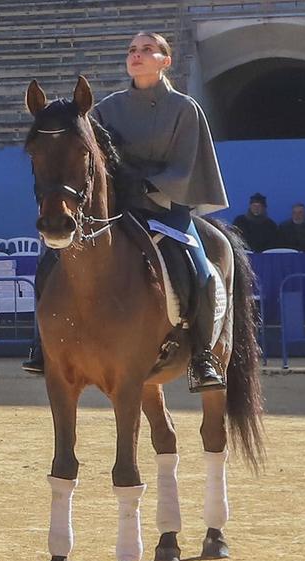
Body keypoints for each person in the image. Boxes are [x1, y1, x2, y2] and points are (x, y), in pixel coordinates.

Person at [25, 32, 230, 391]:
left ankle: (202, 357)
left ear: (165, 61)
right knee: (51, 262)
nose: (137, 55)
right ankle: (43, 343)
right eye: (133, 50)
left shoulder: (185, 108)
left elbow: (186, 166)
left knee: (202, 272)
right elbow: (94, 164)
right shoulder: (105, 108)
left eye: (147, 50)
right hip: (120, 209)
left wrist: (148, 184)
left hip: (167, 209)